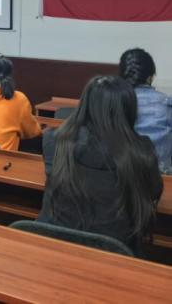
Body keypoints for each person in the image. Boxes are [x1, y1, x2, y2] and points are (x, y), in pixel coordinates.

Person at [38, 75, 162, 255]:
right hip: (114, 254)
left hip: (52, 246)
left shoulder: (54, 140)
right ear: (129, 109)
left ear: (84, 104)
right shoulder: (141, 151)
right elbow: (154, 191)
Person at [119, 48, 172, 173]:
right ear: (150, 77)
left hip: (119, 175)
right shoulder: (167, 104)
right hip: (160, 176)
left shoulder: (110, 102)